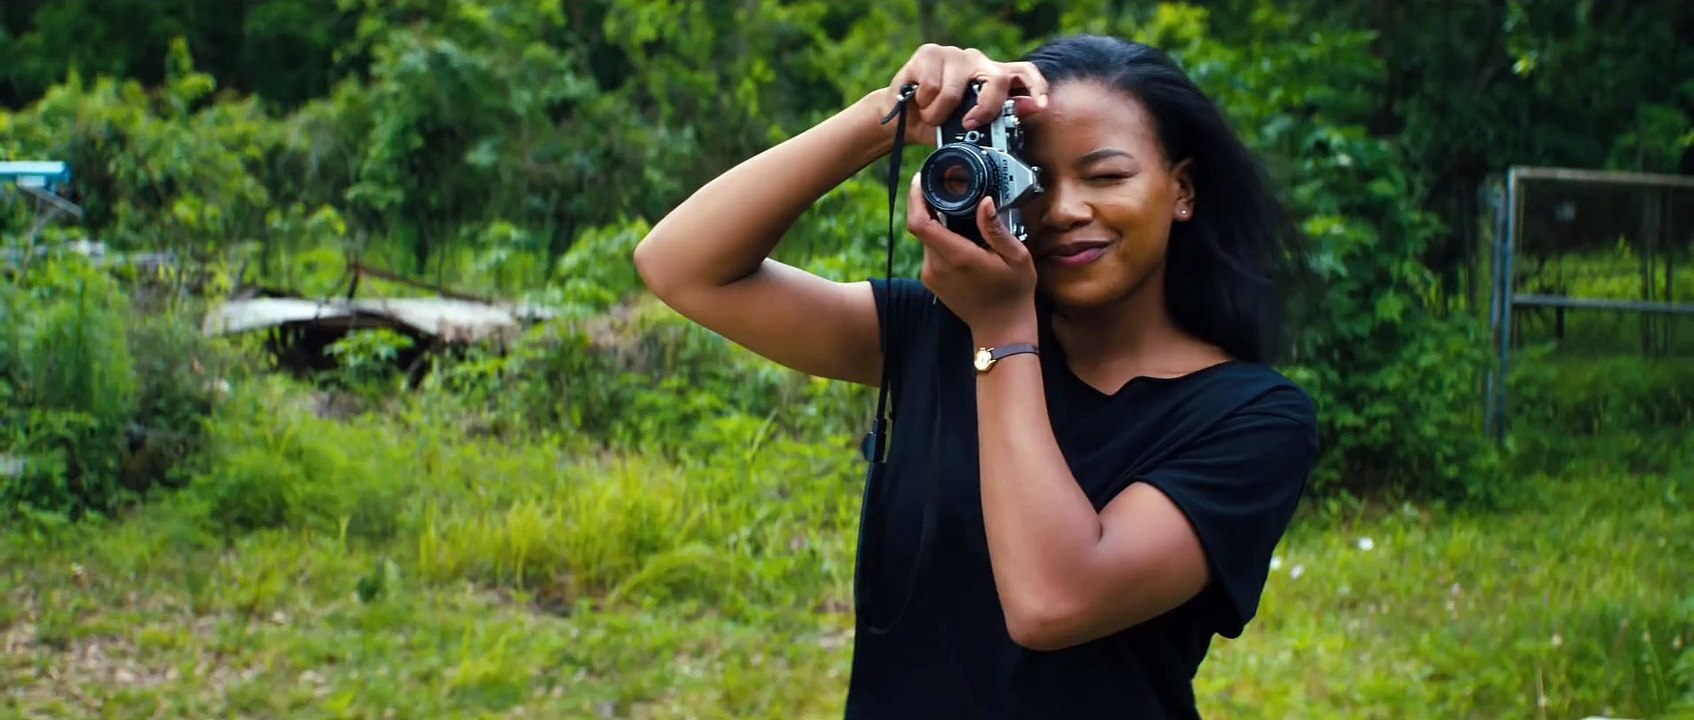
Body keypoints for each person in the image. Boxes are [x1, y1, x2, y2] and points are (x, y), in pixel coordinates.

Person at [633, 33, 1319, 720]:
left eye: (1107, 177)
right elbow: (682, 266)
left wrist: (1003, 336)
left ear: (1183, 190)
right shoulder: (939, 329)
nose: (1065, 209)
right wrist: (894, 117)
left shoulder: (1253, 419)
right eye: (1033, 179)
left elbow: (1052, 602)